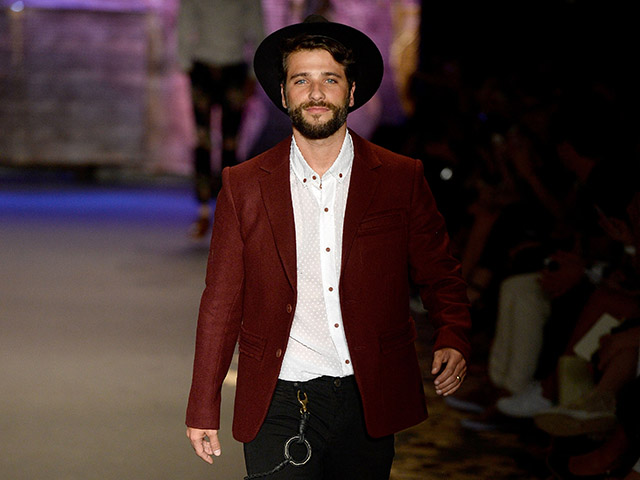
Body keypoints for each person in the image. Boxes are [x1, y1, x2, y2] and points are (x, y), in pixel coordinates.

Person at [185, 15, 471, 479]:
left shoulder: (399, 178)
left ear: (351, 92)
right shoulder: (245, 186)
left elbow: (440, 271)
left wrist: (453, 334)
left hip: (369, 394)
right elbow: (221, 301)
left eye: (330, 80)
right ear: (284, 95)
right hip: (278, 393)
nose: (316, 93)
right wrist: (203, 403)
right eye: (301, 80)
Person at [177, 0, 265, 239]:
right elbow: (185, 24)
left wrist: (253, 73)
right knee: (205, 141)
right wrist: (185, 63)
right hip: (205, 69)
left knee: (230, 144)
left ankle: (227, 214)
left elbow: (258, 30)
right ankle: (204, 211)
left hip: (232, 69)